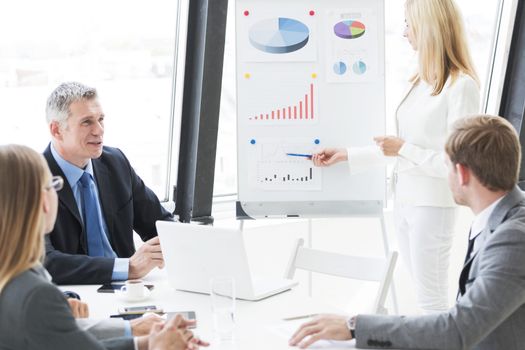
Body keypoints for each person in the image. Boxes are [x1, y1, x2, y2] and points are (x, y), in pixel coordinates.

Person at [290, 115, 525, 349]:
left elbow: (456, 330)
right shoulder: (501, 217)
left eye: (446, 166)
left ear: (462, 173)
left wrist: (354, 326)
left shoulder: (513, 239)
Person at [311, 0, 480, 313]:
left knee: (432, 301)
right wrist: (347, 155)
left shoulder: (461, 87)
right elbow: (399, 149)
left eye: (408, 24)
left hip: (432, 205)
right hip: (404, 201)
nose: (404, 33)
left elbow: (458, 165)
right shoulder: (419, 82)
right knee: (422, 294)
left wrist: (403, 148)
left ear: (428, 28)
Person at [0, 144, 208, 350]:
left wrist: (143, 341)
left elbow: (69, 339)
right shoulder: (37, 296)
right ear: (44, 201)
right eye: (54, 185)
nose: (98, 129)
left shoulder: (14, 279)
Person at [43, 81, 174, 284]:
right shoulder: (33, 179)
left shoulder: (115, 163)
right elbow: (44, 261)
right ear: (57, 130)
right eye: (87, 122)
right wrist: (128, 268)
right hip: (76, 296)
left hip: (129, 290)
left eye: (101, 119)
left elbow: (161, 224)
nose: (99, 130)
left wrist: (175, 246)